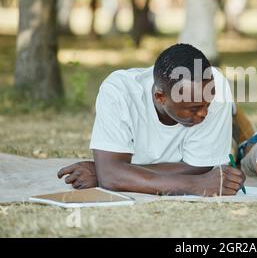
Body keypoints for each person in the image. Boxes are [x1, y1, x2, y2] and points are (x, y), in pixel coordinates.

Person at [57, 43, 246, 196]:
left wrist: (112, 171)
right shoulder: (118, 92)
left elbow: (200, 166)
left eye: (207, 104)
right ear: (160, 97)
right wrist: (195, 185)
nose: (204, 113)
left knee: (249, 142)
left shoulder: (216, 87)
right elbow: (111, 176)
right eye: (194, 108)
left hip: (228, 128)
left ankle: (248, 136)